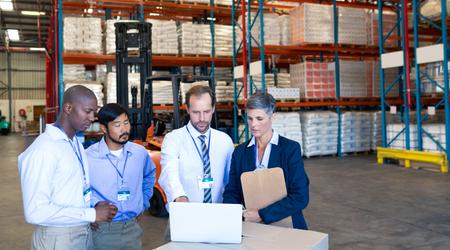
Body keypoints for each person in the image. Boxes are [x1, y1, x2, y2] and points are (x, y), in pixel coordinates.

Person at [18, 85, 118, 250]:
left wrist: (87, 213)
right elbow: (35, 211)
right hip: (57, 238)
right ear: (68, 108)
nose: (93, 118)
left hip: (80, 231)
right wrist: (91, 214)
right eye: (87, 111)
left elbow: (68, 190)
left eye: (94, 112)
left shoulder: (75, 143)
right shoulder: (44, 149)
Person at [222, 93, 310, 230]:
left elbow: (300, 196)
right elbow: (232, 191)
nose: (253, 125)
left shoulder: (290, 149)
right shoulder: (240, 152)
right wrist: (235, 215)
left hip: (287, 225)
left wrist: (261, 214)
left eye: (259, 118)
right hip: (251, 226)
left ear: (273, 116)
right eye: (250, 118)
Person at [85, 103, 156, 250]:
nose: (124, 129)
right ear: (104, 128)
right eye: (117, 125)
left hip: (133, 228)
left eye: (126, 123)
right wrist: (89, 210)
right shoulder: (89, 157)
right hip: (102, 230)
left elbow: (149, 175)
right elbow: (79, 188)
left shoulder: (139, 153)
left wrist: (142, 203)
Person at [159, 85, 234, 204]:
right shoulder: (173, 139)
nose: (202, 118)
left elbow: (231, 178)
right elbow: (169, 172)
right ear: (187, 109)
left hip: (218, 212)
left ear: (213, 108)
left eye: (206, 111)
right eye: (196, 112)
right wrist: (179, 196)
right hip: (185, 212)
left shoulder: (225, 141)